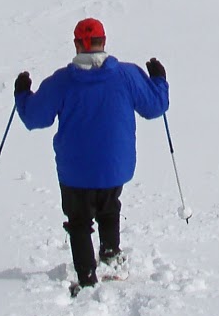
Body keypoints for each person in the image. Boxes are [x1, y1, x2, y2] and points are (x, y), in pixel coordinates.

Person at [15, 17, 168, 293]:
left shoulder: (62, 82)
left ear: (77, 44)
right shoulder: (127, 75)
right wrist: (159, 79)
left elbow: (35, 118)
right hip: (115, 166)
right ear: (104, 41)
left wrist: (22, 93)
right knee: (109, 207)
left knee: (79, 220)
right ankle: (110, 256)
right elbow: (155, 107)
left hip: (75, 170)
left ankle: (86, 276)